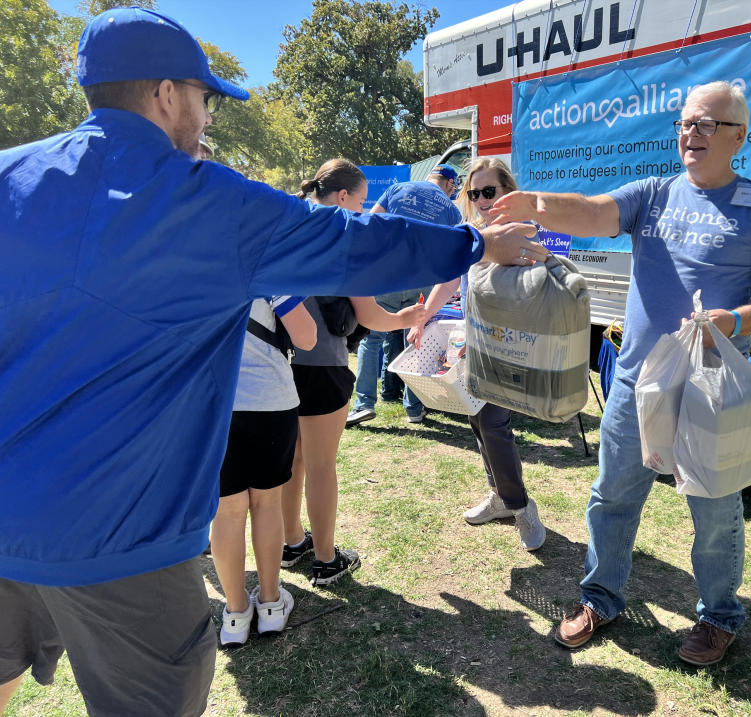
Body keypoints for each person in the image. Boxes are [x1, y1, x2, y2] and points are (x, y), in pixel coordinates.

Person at [0, 8, 546, 715]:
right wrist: (472, 244)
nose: (206, 117)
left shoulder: (10, 175)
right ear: (166, 95)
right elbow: (355, 245)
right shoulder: (200, 198)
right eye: (204, 98)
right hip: (121, 536)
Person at [491, 81, 751, 665]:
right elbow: (593, 211)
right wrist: (533, 201)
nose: (691, 134)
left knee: (713, 508)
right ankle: (600, 599)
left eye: (706, 125)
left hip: (709, 388)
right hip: (637, 382)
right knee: (612, 496)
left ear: (738, 136)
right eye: (685, 123)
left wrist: (732, 320)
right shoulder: (654, 194)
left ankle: (719, 616)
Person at [280, 159, 426, 586]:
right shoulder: (343, 241)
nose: (363, 212)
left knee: (294, 461)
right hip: (323, 365)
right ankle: (326, 559)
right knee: (322, 465)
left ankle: (292, 543)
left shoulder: (289, 228)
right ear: (342, 197)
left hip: (281, 366)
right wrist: (408, 317)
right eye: (361, 202)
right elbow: (371, 315)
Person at [408, 157, 547, 552]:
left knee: (493, 424)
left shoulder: (523, 232)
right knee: (476, 420)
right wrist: (424, 316)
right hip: (470, 344)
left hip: (505, 345)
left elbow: (530, 293)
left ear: (507, 190)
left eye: (490, 191)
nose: (483, 199)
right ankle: (501, 495)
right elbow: (450, 277)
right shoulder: (472, 234)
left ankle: (519, 505)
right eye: (475, 193)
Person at [212, 296, 316, 646]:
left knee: (226, 512)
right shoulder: (271, 267)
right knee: (267, 504)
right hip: (270, 400)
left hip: (215, 404)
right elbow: (307, 337)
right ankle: (270, 604)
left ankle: (236, 613)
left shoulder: (189, 263)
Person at [347, 164, 463, 426]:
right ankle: (413, 409)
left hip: (387, 275)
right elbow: (453, 250)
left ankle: (363, 403)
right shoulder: (450, 209)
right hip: (421, 280)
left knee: (371, 337)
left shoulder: (397, 189)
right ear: (448, 184)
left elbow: (370, 225)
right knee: (416, 340)